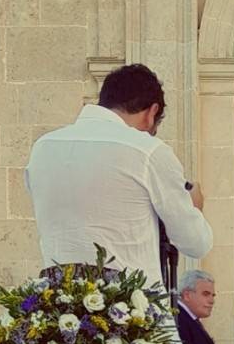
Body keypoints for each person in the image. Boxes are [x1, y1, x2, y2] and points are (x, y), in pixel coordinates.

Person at [25, 64, 213, 286]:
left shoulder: (43, 147)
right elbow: (195, 243)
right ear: (152, 113)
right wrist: (192, 207)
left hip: (59, 305)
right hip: (130, 309)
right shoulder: (148, 151)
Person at [178, 269, 220, 344]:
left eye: (213, 295)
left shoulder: (189, 319)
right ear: (187, 295)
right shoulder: (178, 321)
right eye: (206, 294)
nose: (212, 301)